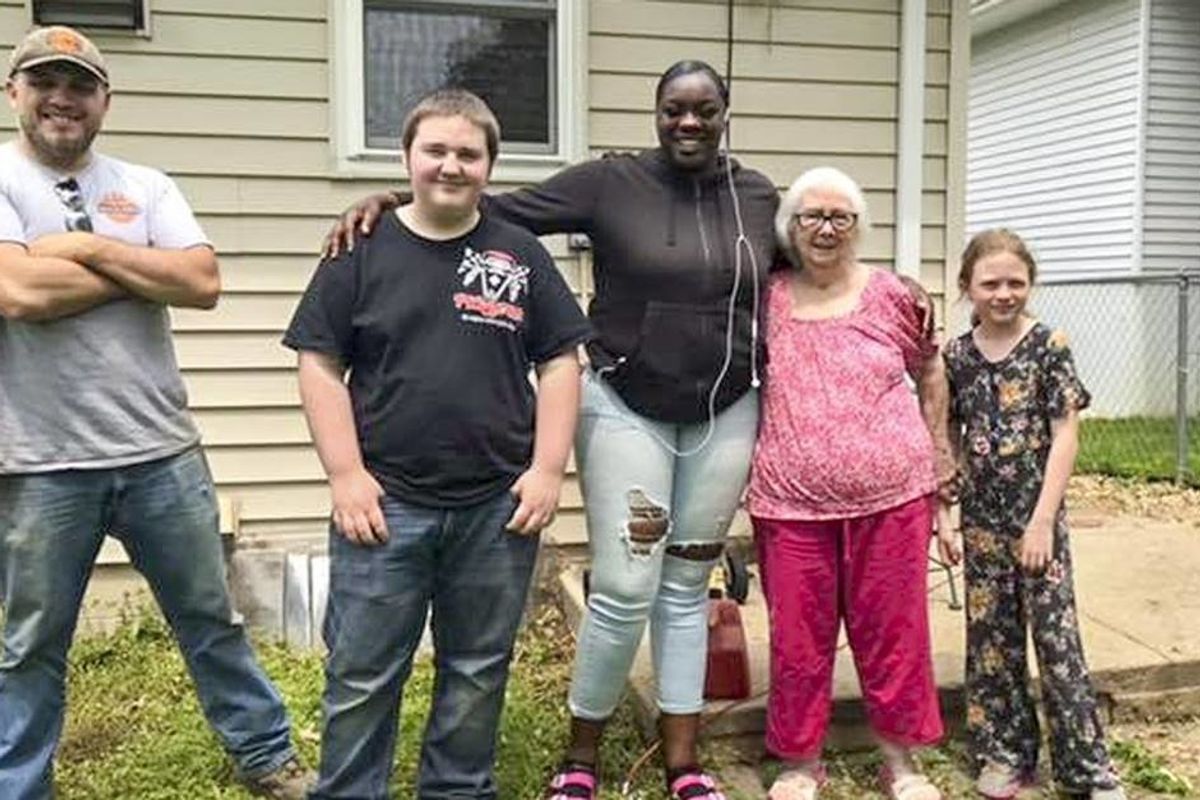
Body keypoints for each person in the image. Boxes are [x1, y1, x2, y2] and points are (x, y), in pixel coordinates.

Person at [323, 61, 777, 800]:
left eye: (704, 109)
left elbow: (804, 267)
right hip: (629, 403)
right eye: (673, 110)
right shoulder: (610, 183)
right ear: (655, 113)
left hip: (725, 411)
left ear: (726, 111)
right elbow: (495, 207)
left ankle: (685, 765)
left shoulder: (754, 196)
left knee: (688, 587)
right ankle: (580, 760)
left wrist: (892, 287)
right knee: (627, 588)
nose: (688, 122)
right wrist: (395, 203)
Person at [0, 25, 311, 800]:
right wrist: (145, 269)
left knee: (210, 619)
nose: (62, 99)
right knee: (32, 644)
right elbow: (20, 294)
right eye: (44, 82)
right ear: (14, 93)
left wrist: (82, 250)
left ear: (105, 99)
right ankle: (19, 784)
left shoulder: (148, 184)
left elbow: (202, 281)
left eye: (79, 84)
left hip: (160, 451)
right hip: (41, 461)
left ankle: (267, 758)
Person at [284, 89, 590, 800]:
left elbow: (560, 361)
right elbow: (319, 363)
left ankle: (456, 788)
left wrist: (547, 469)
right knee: (361, 671)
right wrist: (345, 475)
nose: (450, 165)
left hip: (496, 506)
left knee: (479, 666)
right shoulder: (360, 248)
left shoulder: (518, 255)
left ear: (490, 165)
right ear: (406, 158)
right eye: (435, 151)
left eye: (468, 153)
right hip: (384, 504)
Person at [746, 167, 954, 800]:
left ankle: (901, 760)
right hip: (789, 502)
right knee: (798, 638)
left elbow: (931, 368)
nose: (826, 229)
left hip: (893, 497)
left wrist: (941, 456)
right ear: (790, 227)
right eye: (812, 216)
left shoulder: (896, 295)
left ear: (859, 227)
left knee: (894, 631)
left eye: (841, 217)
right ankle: (800, 763)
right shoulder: (766, 298)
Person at [943, 229, 1125, 800]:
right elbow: (948, 430)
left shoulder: (1050, 345)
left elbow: (1064, 431)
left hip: (1036, 520)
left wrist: (1043, 518)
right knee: (991, 641)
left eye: (1015, 282)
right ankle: (1003, 754)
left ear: (1031, 284)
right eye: (990, 283)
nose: (1003, 293)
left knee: (1056, 640)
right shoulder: (957, 355)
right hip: (980, 520)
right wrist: (945, 513)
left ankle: (1086, 770)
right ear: (967, 287)